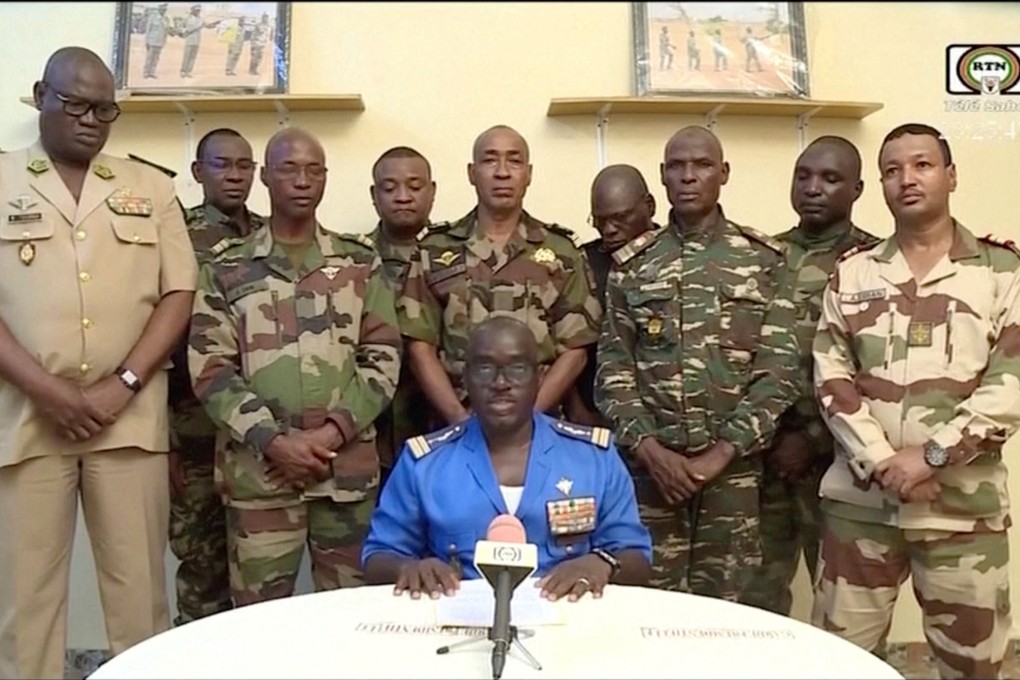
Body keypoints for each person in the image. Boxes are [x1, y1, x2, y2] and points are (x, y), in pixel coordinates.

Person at [0, 47, 197, 678]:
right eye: (75, 104)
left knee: (140, 604)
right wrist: (47, 391)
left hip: (128, 424)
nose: (91, 119)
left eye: (105, 109)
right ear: (40, 95)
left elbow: (178, 293)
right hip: (26, 421)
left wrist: (125, 383)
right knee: (24, 607)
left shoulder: (152, 186)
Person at [812, 123, 1020, 678]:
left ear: (951, 175)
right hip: (861, 509)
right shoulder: (854, 272)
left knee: (973, 668)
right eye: (892, 169)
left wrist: (931, 455)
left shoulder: (1002, 273)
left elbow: (1011, 383)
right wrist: (883, 460)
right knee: (837, 665)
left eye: (923, 165)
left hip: (961, 513)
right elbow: (831, 374)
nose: (907, 179)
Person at [188, 127, 401, 607]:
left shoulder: (358, 263)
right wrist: (276, 442)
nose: (303, 181)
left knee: (352, 618)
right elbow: (210, 367)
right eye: (289, 169)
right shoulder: (226, 267)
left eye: (314, 170)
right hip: (260, 478)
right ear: (266, 177)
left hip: (343, 477)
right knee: (258, 625)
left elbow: (383, 356)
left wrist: (329, 435)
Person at [596, 125, 800, 602]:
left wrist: (721, 454)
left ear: (723, 173)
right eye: (677, 167)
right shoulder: (633, 265)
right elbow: (613, 370)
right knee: (645, 606)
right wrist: (652, 452)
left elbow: (779, 369)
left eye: (702, 165)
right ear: (662, 178)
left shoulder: (765, 260)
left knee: (730, 615)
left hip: (735, 476)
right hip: (651, 476)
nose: (689, 177)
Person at [362, 316, 653, 601]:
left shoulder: (593, 458)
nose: (501, 382)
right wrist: (410, 567)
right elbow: (377, 556)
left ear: (539, 377)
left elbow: (637, 556)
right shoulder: (424, 463)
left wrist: (602, 563)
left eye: (516, 368)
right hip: (457, 621)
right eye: (485, 368)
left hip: (568, 623)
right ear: (466, 378)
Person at [740, 137, 878, 617]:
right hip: (765, 457)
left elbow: (879, 372)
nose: (813, 188)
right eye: (803, 176)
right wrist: (773, 436)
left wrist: (814, 438)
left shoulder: (876, 265)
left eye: (830, 178)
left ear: (857, 189)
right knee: (755, 597)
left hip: (840, 463)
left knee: (845, 602)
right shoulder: (763, 256)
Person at [399, 125, 601, 428]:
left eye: (514, 161)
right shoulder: (434, 249)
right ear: (472, 172)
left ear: (528, 174)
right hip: (454, 427)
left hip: (539, 428)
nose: (502, 172)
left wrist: (527, 419)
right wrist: (459, 420)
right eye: (490, 160)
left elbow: (575, 349)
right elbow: (419, 347)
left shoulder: (562, 252)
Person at [168, 128, 266, 626]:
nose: (234, 175)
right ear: (197, 172)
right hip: (195, 432)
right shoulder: (175, 234)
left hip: (262, 430)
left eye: (244, 166)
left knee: (258, 566)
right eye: (222, 165)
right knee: (202, 561)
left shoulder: (274, 234)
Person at [565, 164, 658, 428]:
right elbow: (563, 344)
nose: (609, 230)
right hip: (595, 416)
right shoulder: (582, 263)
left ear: (649, 206)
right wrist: (577, 411)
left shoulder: (676, 255)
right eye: (600, 220)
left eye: (620, 218)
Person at [368, 146, 437, 483]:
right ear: (374, 195)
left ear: (432, 192)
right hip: (372, 434)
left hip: (442, 423)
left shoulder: (457, 255)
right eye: (390, 187)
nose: (403, 197)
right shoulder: (350, 261)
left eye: (414, 186)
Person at [179, 4, 220, 79]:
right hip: (189, 40)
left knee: (193, 57)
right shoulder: (187, 18)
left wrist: (215, 24)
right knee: (186, 56)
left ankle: (189, 71)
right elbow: (180, 26)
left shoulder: (200, 19)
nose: (198, 12)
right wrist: (184, 31)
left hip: (197, 40)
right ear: (193, 11)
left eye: (199, 10)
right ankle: (183, 71)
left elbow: (207, 26)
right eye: (197, 10)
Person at [143, 3, 173, 79]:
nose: (164, 10)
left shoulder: (166, 18)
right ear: (159, 9)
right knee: (149, 58)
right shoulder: (153, 17)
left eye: (165, 9)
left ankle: (152, 72)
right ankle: (146, 72)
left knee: (156, 58)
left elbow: (167, 30)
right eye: (163, 9)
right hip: (152, 41)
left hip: (160, 41)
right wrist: (147, 41)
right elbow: (148, 30)